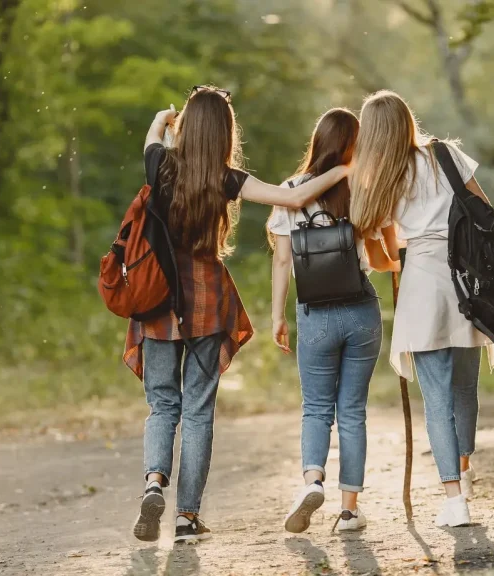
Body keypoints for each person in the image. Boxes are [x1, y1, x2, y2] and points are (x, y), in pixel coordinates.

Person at [127, 86, 351, 544]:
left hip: (158, 300)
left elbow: (153, 131)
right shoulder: (227, 178)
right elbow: (292, 199)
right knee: (198, 410)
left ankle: (153, 483)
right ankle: (187, 518)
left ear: (187, 126)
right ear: (226, 133)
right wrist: (343, 169)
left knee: (163, 404)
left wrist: (168, 116)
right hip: (207, 300)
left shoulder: (159, 163)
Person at [349, 90, 491, 527]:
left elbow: (381, 251)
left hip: (423, 286)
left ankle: (454, 500)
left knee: (436, 397)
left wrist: (399, 251)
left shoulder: (383, 179)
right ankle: (464, 470)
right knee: (465, 388)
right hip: (467, 281)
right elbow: (484, 211)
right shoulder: (447, 155)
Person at [268, 108, 397, 533]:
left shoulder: (290, 191)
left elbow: (282, 260)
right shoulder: (362, 187)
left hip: (316, 314)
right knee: (353, 411)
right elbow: (380, 255)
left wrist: (278, 316)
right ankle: (348, 511)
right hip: (361, 310)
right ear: (353, 146)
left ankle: (312, 480)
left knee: (317, 408)